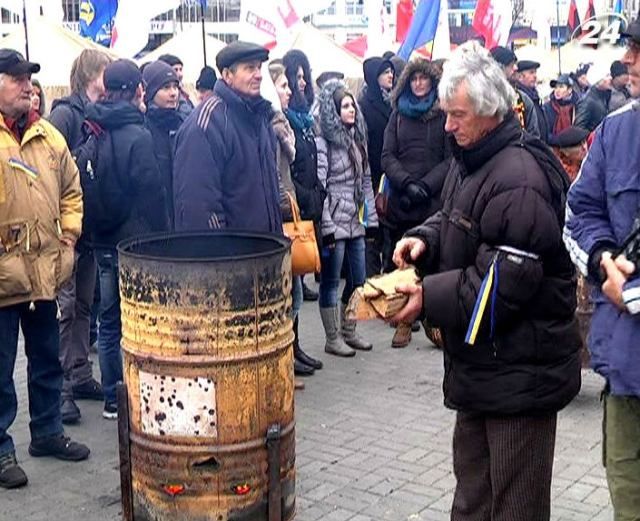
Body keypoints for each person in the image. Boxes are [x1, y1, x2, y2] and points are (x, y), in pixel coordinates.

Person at [391, 42, 581, 520]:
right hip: (483, 367)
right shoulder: (472, 158)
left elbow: (497, 291)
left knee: (515, 506)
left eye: (457, 115)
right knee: (473, 500)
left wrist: (424, 296)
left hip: (521, 374)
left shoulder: (518, 178)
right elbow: (456, 219)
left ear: (491, 111)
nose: (448, 126)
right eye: (445, 113)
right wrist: (424, 240)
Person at [0, 49, 90, 490]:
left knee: (45, 360)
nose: (27, 86)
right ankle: (1, 449)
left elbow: (72, 192)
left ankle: (48, 432)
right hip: (2, 277)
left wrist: (69, 238)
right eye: (16, 78)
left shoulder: (49, 137)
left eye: (28, 79)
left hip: (43, 272)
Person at [563, 19, 640, 519]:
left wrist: (632, 293)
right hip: (629, 373)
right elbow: (579, 214)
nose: (629, 59)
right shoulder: (616, 129)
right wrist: (602, 258)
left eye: (638, 49)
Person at [86, 59, 167, 420]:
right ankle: (142, 392)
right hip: (136, 243)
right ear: (138, 89)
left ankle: (111, 398)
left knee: (108, 321)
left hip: (102, 240)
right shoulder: (139, 134)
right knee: (143, 320)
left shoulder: (93, 126)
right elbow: (151, 192)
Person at [49, 48, 111, 425]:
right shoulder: (65, 115)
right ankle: (61, 390)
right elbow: (54, 166)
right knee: (67, 307)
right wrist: (88, 150)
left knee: (84, 306)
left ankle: (79, 373)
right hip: (67, 230)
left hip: (88, 228)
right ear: (92, 74)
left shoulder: (94, 113)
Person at [173, 41, 281, 234]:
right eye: (249, 68)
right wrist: (225, 254)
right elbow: (198, 206)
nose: (258, 75)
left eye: (259, 67)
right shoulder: (207, 123)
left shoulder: (260, 118)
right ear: (227, 75)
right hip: (232, 258)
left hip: (267, 254)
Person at [380, 57, 450, 349]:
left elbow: (449, 159)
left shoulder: (442, 113)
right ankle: (404, 321)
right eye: (414, 79)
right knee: (404, 262)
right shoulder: (397, 114)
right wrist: (406, 182)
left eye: (424, 79)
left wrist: (425, 185)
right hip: (403, 199)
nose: (419, 84)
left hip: (431, 199)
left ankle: (434, 322)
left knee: (432, 262)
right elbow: (387, 155)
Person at [315, 79, 378, 357]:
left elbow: (366, 181)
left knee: (359, 278)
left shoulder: (358, 140)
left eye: (352, 105)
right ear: (334, 110)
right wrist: (327, 226)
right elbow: (321, 186)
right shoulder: (324, 142)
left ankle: (349, 330)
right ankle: (332, 337)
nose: (351, 110)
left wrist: (371, 220)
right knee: (331, 282)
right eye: (345, 106)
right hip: (335, 220)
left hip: (356, 221)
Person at [268, 60, 317, 386]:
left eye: (294, 82)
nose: (291, 89)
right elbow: (273, 175)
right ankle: (283, 363)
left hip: (291, 209)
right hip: (281, 217)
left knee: (295, 293)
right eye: (284, 84)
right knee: (288, 297)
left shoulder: (283, 124)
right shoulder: (272, 128)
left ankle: (293, 352)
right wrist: (290, 199)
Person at [548, 126, 592, 367]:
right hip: (562, 244)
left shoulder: (586, 170)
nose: (585, 149)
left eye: (585, 145)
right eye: (580, 146)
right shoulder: (559, 173)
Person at [283, 50, 323, 304]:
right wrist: (304, 193)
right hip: (295, 197)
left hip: (309, 195)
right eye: (296, 78)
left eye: (302, 77)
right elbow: (286, 167)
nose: (302, 83)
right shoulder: (284, 121)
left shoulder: (305, 118)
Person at [359, 56, 394, 277]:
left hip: (390, 177)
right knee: (371, 232)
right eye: (385, 72)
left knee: (389, 231)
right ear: (373, 76)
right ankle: (371, 280)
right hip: (371, 178)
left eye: (391, 71)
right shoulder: (364, 105)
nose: (390, 75)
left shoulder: (394, 102)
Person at [142, 60, 186, 231]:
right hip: (156, 225)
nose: (173, 93)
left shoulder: (185, 125)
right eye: (166, 87)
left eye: (175, 87)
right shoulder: (144, 130)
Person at [489, 46, 541, 138]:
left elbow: (534, 136)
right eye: (511, 65)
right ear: (499, 68)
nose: (516, 68)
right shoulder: (485, 99)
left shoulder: (523, 99)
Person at [514, 59, 548, 140]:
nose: (535, 76)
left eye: (535, 72)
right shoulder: (519, 99)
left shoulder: (534, 96)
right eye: (531, 72)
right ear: (520, 77)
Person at [574, 63, 612, 132]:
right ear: (599, 81)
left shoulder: (605, 95)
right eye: (607, 76)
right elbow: (578, 128)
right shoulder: (587, 101)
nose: (610, 78)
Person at [542, 73, 580, 141]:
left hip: (574, 146)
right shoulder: (547, 107)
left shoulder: (578, 106)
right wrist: (560, 140)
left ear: (569, 90)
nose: (557, 90)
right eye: (556, 87)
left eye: (561, 87)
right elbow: (545, 133)